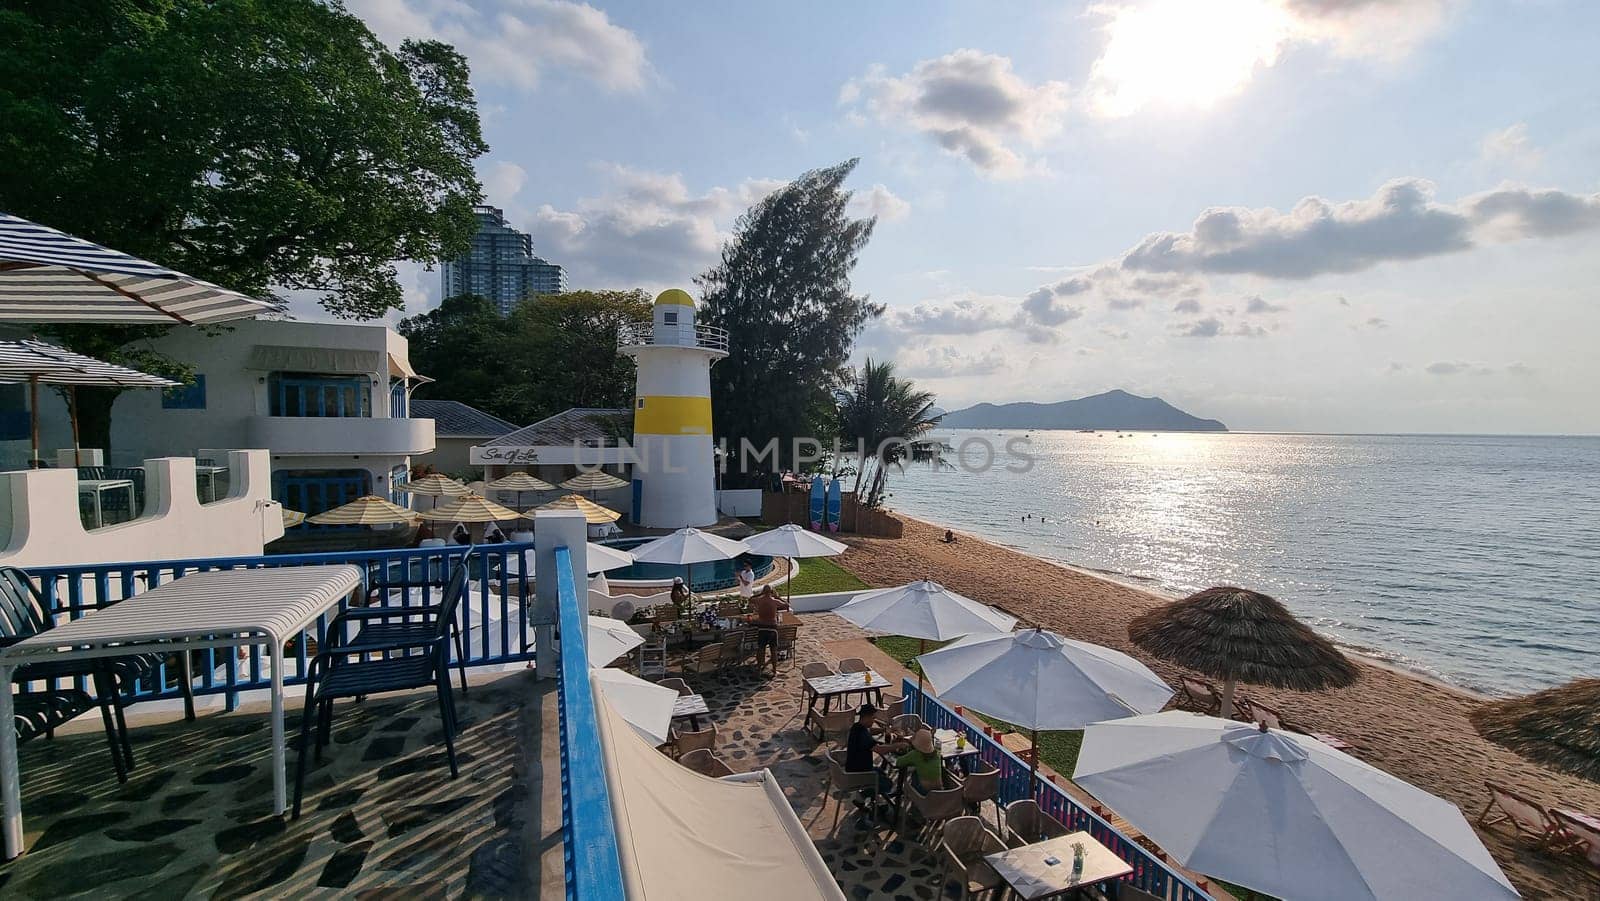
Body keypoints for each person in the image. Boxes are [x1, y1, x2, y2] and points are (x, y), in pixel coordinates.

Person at [750, 584, 790, 675]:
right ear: (771, 592)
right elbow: (787, 605)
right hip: (772, 628)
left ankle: (759, 668)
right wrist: (778, 597)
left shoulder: (759, 600)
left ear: (763, 592)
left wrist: (759, 594)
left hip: (762, 627)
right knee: (773, 650)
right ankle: (775, 670)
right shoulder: (775, 601)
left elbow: (750, 599)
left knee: (761, 649)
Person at [896, 728, 945, 793]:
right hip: (939, 791)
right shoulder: (937, 753)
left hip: (924, 792)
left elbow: (898, 762)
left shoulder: (915, 755)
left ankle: (907, 793)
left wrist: (898, 746)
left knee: (914, 774)